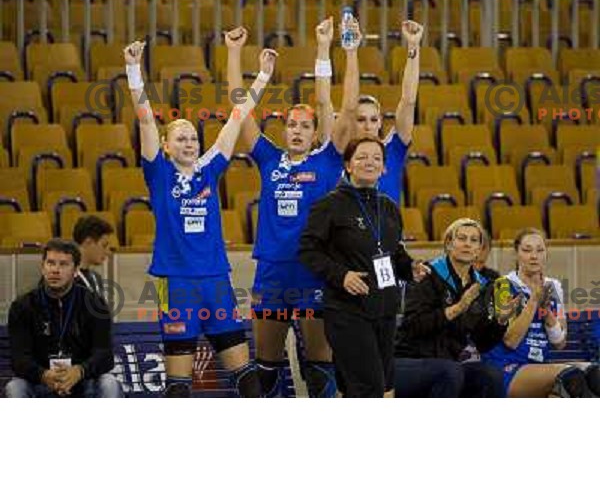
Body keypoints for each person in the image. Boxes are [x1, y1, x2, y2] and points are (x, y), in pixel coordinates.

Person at [124, 39, 277, 398]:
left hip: (216, 282)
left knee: (246, 376)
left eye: (193, 138)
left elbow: (238, 117)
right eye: (181, 138)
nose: (190, 143)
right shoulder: (158, 171)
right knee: (179, 385)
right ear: (165, 145)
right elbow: (145, 118)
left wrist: (263, 78)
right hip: (175, 283)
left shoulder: (209, 167)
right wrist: (133, 69)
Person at [225, 20, 343, 397]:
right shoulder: (268, 158)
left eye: (304, 126)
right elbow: (238, 111)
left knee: (321, 365)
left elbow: (338, 105)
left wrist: (326, 49)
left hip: (313, 275)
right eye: (290, 124)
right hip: (272, 275)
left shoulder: (326, 161)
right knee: (267, 365)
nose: (295, 130)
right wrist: (233, 54)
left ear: (314, 132)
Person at [299, 137, 427, 398]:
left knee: (377, 389)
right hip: (348, 313)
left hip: (386, 312)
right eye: (361, 157)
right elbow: (308, 251)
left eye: (376, 158)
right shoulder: (329, 205)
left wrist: (409, 268)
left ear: (384, 168)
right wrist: (341, 275)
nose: (370, 162)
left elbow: (392, 252)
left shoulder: (389, 207)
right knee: (370, 390)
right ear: (348, 165)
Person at [394, 218, 515, 398]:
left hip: (447, 365)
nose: (467, 244)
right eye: (461, 238)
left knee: (490, 375)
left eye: (474, 240)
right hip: (409, 360)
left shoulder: (480, 286)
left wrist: (501, 321)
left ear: (479, 250)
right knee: (450, 372)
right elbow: (413, 326)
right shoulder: (427, 273)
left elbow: (481, 343)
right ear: (449, 244)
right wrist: (458, 308)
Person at [482, 228, 600, 398]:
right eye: (527, 250)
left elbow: (559, 342)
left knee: (595, 374)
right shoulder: (503, 286)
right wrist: (533, 302)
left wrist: (547, 314)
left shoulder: (553, 286)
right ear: (517, 254)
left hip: (539, 365)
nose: (534, 256)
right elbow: (510, 341)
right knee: (570, 376)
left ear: (546, 253)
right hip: (507, 366)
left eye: (540, 250)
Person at [5, 239, 122, 398]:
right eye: (51, 263)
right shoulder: (23, 306)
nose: (55, 270)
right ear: (43, 268)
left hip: (82, 382)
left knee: (109, 383)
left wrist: (79, 372)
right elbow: (19, 359)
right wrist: (44, 375)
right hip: (41, 383)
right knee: (15, 387)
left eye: (63, 264)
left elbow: (104, 355)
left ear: (75, 271)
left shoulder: (94, 304)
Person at [333, 16, 423, 205]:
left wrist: (413, 46)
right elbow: (346, 106)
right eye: (361, 119)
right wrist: (351, 52)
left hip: (387, 233)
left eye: (374, 120)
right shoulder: (338, 150)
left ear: (381, 122)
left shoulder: (394, 148)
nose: (368, 126)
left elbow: (408, 100)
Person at [72, 214, 114, 299]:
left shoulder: (96, 279)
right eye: (104, 245)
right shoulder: (63, 280)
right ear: (88, 242)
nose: (107, 252)